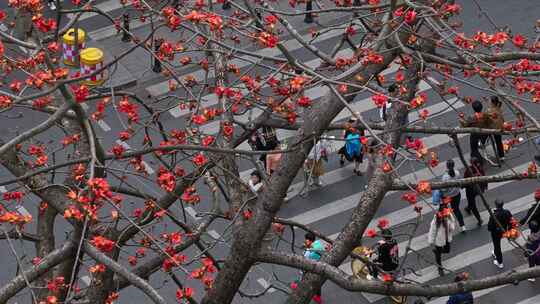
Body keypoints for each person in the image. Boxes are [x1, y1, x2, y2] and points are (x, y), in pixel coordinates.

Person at [460, 100, 492, 165]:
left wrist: (461, 119)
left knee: (473, 147)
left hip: (476, 134)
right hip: (485, 134)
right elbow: (490, 122)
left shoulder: (471, 117)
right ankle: (475, 155)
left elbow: (465, 125)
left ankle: (478, 159)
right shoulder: (486, 115)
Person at [428, 204, 456, 276]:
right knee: (438, 255)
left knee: (447, 250)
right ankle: (440, 268)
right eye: (444, 215)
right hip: (439, 240)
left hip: (447, 238)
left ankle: (437, 252)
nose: (445, 215)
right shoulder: (436, 220)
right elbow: (432, 231)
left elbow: (453, 223)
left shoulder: (449, 215)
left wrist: (451, 226)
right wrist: (431, 241)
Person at [487, 199, 513, 269]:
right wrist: (509, 230)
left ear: (496, 205)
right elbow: (511, 222)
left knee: (497, 246)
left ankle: (500, 262)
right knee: (496, 246)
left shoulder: (494, 215)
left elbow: (490, 227)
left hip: (495, 233)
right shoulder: (507, 212)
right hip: (504, 231)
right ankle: (495, 253)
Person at [441, 160, 466, 232]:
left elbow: (444, 189)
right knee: (456, 210)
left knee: (445, 210)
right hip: (457, 194)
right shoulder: (457, 173)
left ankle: (447, 226)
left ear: (447, 166)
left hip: (449, 196)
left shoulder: (445, 177)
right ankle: (462, 225)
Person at [463, 157, 486, 226]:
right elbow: (485, 178)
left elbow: (465, 179)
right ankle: (468, 208)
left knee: (472, 203)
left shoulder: (469, 170)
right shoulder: (480, 169)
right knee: (471, 202)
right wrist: (485, 187)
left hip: (470, 190)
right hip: (479, 189)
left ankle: (479, 219)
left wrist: (463, 186)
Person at [303, 232, 325, 300]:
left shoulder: (308, 254)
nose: (305, 241)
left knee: (306, 279)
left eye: (306, 240)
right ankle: (318, 297)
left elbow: (305, 261)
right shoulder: (318, 243)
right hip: (321, 266)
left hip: (312, 268)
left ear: (309, 240)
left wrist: (306, 249)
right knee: (317, 283)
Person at [487, 96, 505, 160]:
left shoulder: (490, 110)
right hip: (500, 127)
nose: (489, 102)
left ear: (492, 103)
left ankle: (482, 143)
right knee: (499, 142)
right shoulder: (499, 108)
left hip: (493, 128)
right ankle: (502, 155)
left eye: (490, 101)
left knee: (485, 133)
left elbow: (488, 119)